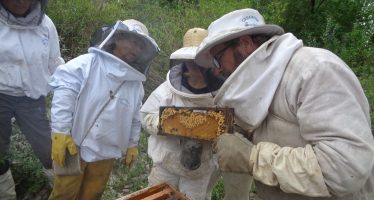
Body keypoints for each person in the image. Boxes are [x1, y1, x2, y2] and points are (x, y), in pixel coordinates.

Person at [195, 8, 374, 200]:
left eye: (218, 58)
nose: (218, 69)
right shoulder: (257, 84)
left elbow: (344, 169)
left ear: (245, 43)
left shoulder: (315, 70)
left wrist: (253, 158)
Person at [47, 19, 160, 199]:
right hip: (74, 147)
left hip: (106, 154)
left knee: (93, 195)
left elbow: (135, 118)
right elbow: (64, 96)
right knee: (64, 194)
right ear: (117, 38)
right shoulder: (87, 63)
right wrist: (60, 131)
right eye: (132, 41)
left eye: (140, 45)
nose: (135, 48)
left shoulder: (136, 84)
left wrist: (132, 144)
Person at [140, 28, 252, 200]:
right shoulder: (167, 91)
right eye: (190, 61)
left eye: (200, 61)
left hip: (200, 171)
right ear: (183, 64)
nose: (195, 65)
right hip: (165, 164)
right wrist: (167, 123)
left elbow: (237, 126)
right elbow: (146, 115)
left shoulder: (222, 94)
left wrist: (216, 132)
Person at [0, 0, 64, 199]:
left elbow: (55, 61)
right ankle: (6, 194)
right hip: (0, 96)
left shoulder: (46, 25)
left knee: (48, 145)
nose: (20, 1)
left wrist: (67, 93)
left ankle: (64, 188)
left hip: (32, 97)